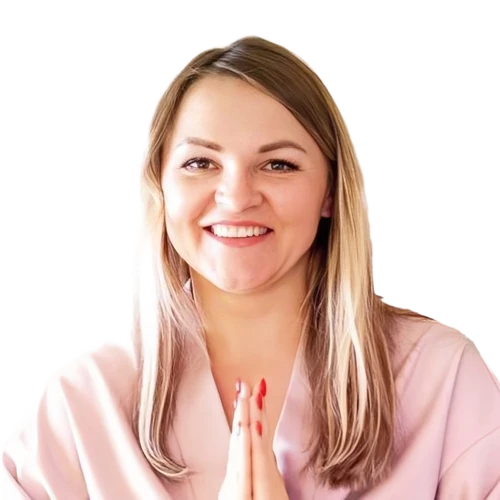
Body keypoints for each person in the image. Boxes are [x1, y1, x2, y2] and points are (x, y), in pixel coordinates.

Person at [1, 33, 500, 500]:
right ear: (160, 186)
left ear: (329, 191)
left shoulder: (443, 380)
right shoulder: (81, 405)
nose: (237, 197)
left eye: (278, 164)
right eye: (200, 163)